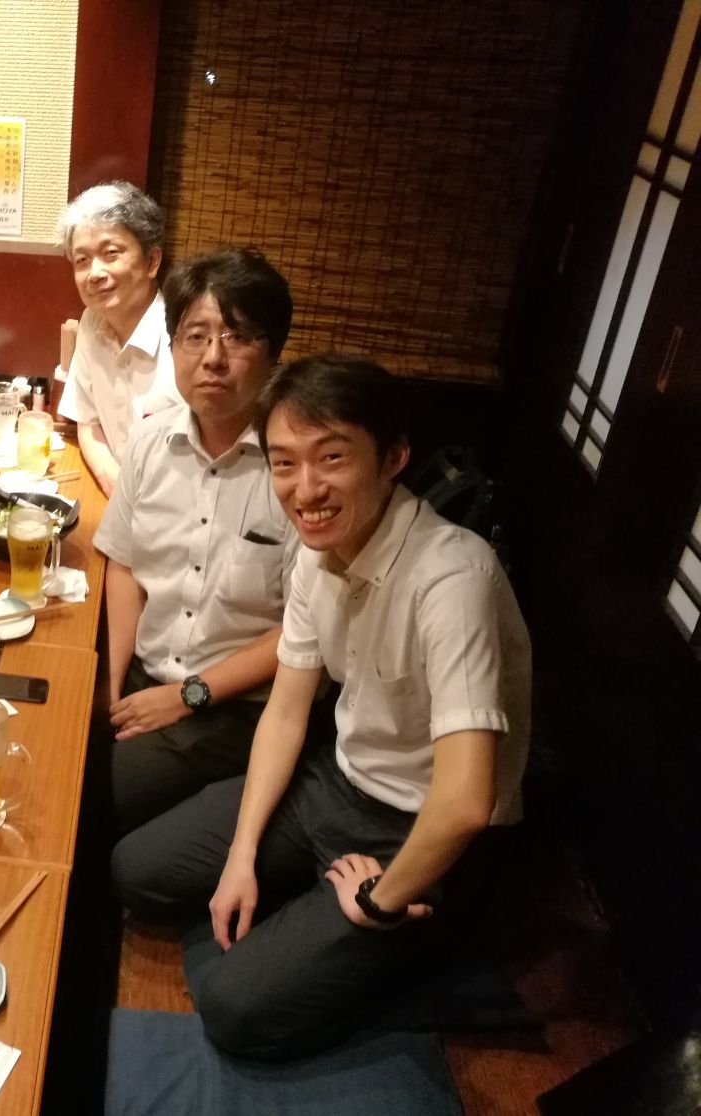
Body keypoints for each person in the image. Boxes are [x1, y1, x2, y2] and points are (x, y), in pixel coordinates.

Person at [112, 353, 531, 1059]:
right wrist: (242, 853)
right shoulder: (318, 553)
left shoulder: (452, 577)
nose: (305, 489)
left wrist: (379, 903)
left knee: (233, 1010)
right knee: (137, 871)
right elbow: (286, 712)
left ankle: (409, 936)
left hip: (418, 829)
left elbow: (465, 802)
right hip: (334, 783)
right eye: (284, 463)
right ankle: (313, 910)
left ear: (393, 457)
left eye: (331, 457)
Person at [94, 248, 300, 837]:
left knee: (95, 793)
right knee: (57, 741)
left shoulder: (295, 469)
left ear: (274, 354)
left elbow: (304, 628)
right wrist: (110, 684)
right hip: (146, 677)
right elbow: (124, 566)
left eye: (237, 337)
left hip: (238, 708)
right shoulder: (149, 444)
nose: (213, 357)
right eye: (196, 336)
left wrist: (187, 697)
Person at [56, 181, 184, 497]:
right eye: (82, 260)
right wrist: (117, 492)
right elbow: (88, 423)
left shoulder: (186, 340)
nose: (95, 273)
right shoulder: (92, 321)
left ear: (152, 262)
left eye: (110, 253)